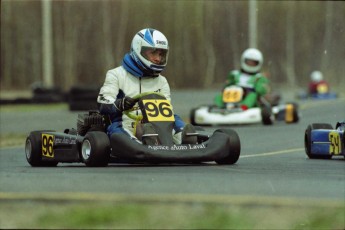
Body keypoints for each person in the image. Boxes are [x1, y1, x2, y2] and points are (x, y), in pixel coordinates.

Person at [97, 28, 195, 145]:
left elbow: (166, 113)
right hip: (125, 121)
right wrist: (120, 104)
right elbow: (103, 105)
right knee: (118, 128)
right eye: (153, 53)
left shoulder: (162, 81)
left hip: (155, 123)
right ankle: (137, 144)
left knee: (174, 119)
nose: (158, 59)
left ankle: (185, 138)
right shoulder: (116, 75)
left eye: (161, 54)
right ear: (139, 50)